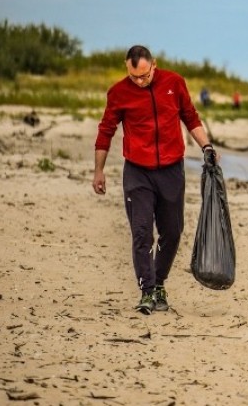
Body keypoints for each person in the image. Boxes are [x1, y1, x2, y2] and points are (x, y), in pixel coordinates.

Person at [92, 45, 216, 315]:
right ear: (128, 68)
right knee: (141, 233)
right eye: (134, 76)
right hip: (137, 171)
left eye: (145, 76)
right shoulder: (118, 93)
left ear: (154, 65)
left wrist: (207, 147)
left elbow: (190, 117)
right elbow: (106, 131)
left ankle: (159, 282)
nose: (139, 81)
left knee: (172, 232)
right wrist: (98, 170)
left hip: (171, 169)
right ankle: (147, 291)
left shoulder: (174, 83)